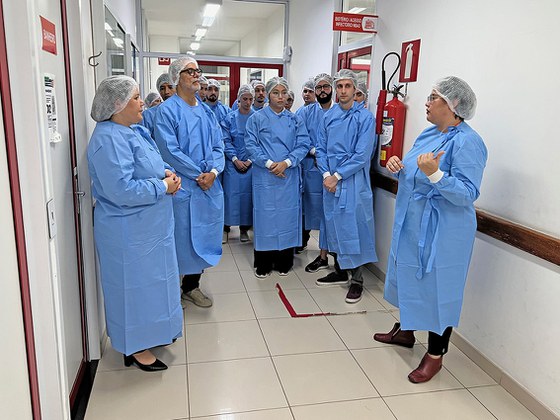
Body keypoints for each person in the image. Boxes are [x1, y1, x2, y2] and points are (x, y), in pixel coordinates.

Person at [373, 76, 487, 384]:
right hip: (412, 222)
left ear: (453, 106)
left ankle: (435, 355)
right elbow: (416, 168)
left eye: (433, 97)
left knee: (440, 289)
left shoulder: (468, 142)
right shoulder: (428, 133)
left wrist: (436, 174)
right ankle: (406, 331)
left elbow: (466, 193)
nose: (426, 102)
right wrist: (400, 164)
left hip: (444, 231)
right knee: (409, 275)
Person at [87, 76, 183, 372]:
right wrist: (162, 187)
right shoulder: (108, 139)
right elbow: (121, 190)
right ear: (117, 104)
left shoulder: (133, 130)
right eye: (137, 98)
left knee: (154, 286)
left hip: (151, 230)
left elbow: (148, 164)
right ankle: (135, 348)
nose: (143, 103)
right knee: (133, 289)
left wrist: (165, 172)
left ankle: (152, 334)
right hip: (128, 232)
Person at [153, 57, 225, 308]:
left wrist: (214, 172)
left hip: (208, 185)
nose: (196, 75)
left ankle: (191, 286)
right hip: (184, 187)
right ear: (176, 77)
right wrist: (198, 174)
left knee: (205, 236)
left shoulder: (206, 111)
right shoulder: (167, 111)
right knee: (180, 239)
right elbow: (170, 151)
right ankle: (172, 290)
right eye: (189, 71)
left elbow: (218, 144)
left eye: (198, 71)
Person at [315, 69, 378, 304]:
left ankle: (358, 280)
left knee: (354, 228)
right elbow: (320, 149)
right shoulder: (328, 117)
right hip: (329, 181)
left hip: (353, 183)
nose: (342, 91)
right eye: (339, 86)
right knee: (332, 225)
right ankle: (340, 270)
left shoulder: (365, 118)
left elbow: (362, 155)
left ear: (355, 89)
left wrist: (338, 175)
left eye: (347, 86)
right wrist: (326, 173)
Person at [245, 77, 310, 277]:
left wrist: (287, 163)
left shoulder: (295, 119)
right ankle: (263, 263)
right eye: (276, 93)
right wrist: (269, 163)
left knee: (286, 218)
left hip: (288, 176)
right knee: (266, 218)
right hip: (265, 176)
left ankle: (284, 261)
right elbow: (251, 144)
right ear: (267, 94)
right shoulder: (256, 118)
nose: (280, 97)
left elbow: (303, 144)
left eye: (284, 93)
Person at [296, 73, 335, 272]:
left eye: (325, 87)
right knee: (310, 209)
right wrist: (315, 152)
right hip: (311, 170)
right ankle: (315, 251)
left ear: (332, 89)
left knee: (331, 215)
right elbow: (299, 137)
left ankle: (327, 254)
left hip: (335, 173)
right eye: (318, 87)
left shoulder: (340, 112)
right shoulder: (306, 112)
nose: (321, 91)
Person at [221, 84, 255, 243]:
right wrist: (235, 159)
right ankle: (226, 228)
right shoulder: (230, 118)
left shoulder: (257, 118)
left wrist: (249, 160)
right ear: (238, 100)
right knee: (230, 196)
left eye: (250, 99)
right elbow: (226, 140)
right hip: (232, 165)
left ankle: (244, 229)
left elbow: (260, 143)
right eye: (244, 99)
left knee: (247, 199)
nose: (247, 102)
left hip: (251, 165)